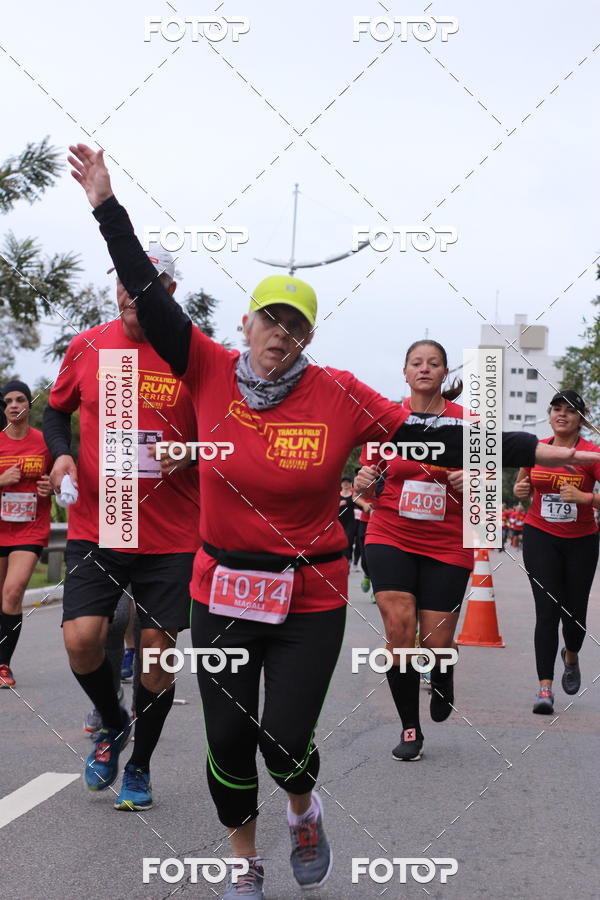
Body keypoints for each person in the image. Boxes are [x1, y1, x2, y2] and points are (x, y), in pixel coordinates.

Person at [67, 142, 598, 900]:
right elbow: (148, 291)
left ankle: (303, 808)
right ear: (247, 324)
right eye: (269, 321)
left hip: (307, 592)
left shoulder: (339, 394)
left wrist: (558, 450)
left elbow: (440, 436)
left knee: (284, 745)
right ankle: (244, 863)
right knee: (224, 741)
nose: (279, 335)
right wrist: (105, 204)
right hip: (219, 587)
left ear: (308, 338)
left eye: (295, 326)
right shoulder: (208, 366)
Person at [42, 243, 199, 812]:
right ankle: (113, 721)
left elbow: (235, 435)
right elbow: (55, 411)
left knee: (155, 654)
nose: (133, 291)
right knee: (82, 639)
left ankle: (139, 767)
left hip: (172, 534)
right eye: (126, 280)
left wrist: (197, 451)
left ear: (171, 292)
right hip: (99, 524)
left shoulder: (193, 354)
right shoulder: (88, 344)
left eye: (148, 281)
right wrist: (59, 455)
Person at [355, 340, 470, 762]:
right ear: (405, 372)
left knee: (438, 641)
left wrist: (471, 482)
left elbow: (489, 484)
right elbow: (369, 480)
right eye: (416, 363)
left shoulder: (465, 422)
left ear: (444, 373)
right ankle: (409, 727)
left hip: (447, 541)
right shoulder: (387, 419)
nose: (425, 368)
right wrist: (365, 479)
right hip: (391, 534)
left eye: (434, 363)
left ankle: (443, 673)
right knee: (400, 632)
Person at [514, 390, 600, 715]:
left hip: (581, 541)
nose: (562, 414)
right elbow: (522, 484)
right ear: (550, 414)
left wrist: (586, 499)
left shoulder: (592, 454)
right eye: (556, 409)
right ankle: (544, 689)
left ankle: (572, 655)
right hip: (540, 536)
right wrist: (519, 489)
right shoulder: (536, 449)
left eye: (570, 411)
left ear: (581, 419)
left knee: (574, 614)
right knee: (547, 611)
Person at [0, 381, 53, 687]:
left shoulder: (44, 443)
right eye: (8, 401)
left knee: (13, 591)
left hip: (30, 530)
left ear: (29, 405)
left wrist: (52, 488)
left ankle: (4, 665)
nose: (15, 405)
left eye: (20, 399)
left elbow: (61, 482)